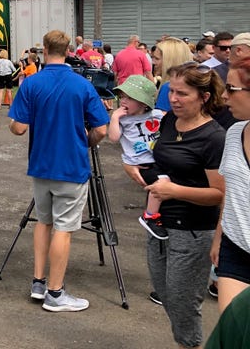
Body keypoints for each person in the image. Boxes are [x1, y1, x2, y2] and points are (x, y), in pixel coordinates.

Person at [8, 29, 109, 312]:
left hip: (40, 165)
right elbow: (101, 129)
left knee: (44, 222)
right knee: (64, 228)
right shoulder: (82, 85)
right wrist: (86, 141)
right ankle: (55, 293)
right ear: (68, 51)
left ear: (44, 49)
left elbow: (18, 128)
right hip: (72, 166)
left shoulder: (31, 83)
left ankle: (38, 282)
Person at [144, 62, 226, 348]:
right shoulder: (169, 121)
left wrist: (174, 190)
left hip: (192, 231)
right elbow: (163, 161)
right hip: (158, 226)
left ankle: (191, 345)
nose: (173, 98)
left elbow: (219, 194)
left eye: (182, 94)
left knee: (183, 304)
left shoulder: (214, 137)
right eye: (172, 91)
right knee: (166, 295)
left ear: (204, 97)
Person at [210, 55, 250, 313]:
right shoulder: (234, 132)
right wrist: (218, 238)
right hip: (234, 250)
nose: (224, 96)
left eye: (231, 89)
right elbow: (230, 192)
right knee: (232, 331)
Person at [107, 75, 166, 238]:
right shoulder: (123, 120)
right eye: (122, 97)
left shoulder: (156, 115)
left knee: (164, 181)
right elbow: (113, 137)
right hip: (140, 164)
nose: (123, 101)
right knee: (160, 182)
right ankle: (150, 215)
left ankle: (155, 213)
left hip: (157, 159)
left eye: (129, 98)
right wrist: (115, 117)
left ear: (143, 102)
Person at [153, 37, 196, 114]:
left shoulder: (169, 88)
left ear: (168, 61)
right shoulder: (192, 85)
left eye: (157, 58)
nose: (153, 62)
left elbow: (159, 121)